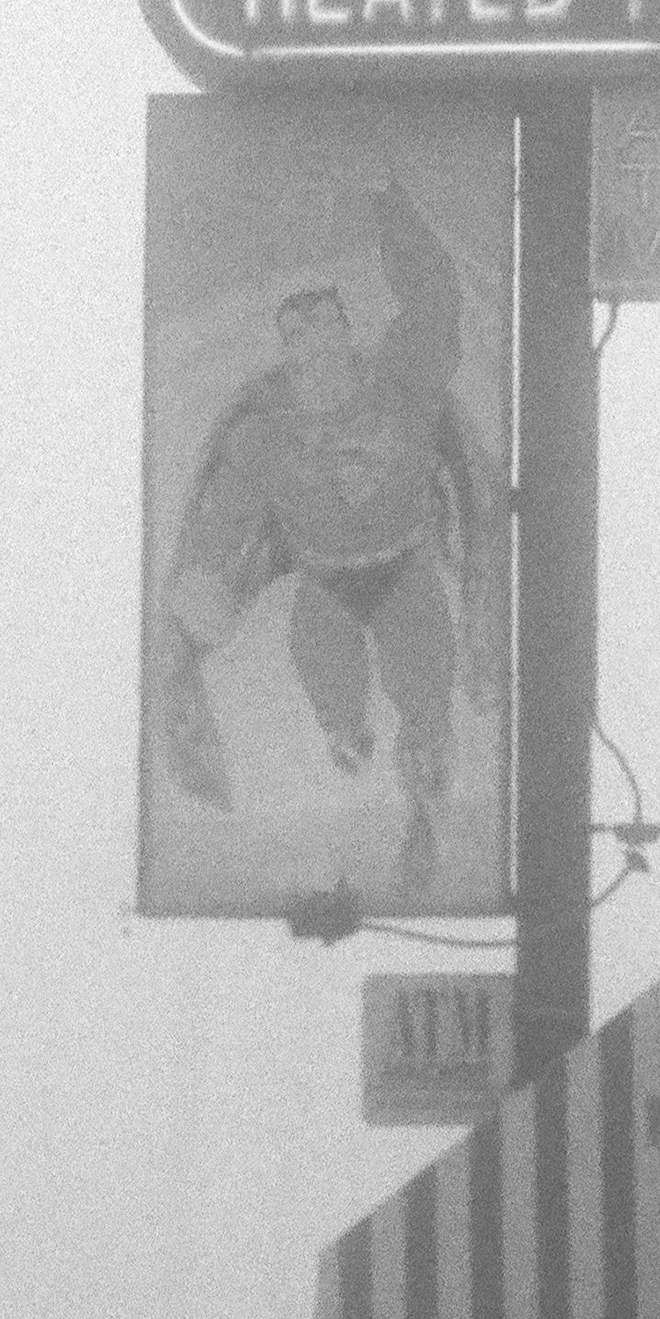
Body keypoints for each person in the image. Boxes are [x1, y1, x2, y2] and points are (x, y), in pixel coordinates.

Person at [159, 174, 495, 896]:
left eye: (324, 323)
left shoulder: (403, 382)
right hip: (326, 586)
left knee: (427, 701)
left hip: (404, 570)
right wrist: (205, 581)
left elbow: (435, 298)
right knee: (333, 692)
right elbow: (226, 510)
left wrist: (390, 204)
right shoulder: (268, 427)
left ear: (347, 329)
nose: (313, 339)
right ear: (286, 347)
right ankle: (350, 734)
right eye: (296, 330)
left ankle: (423, 812)